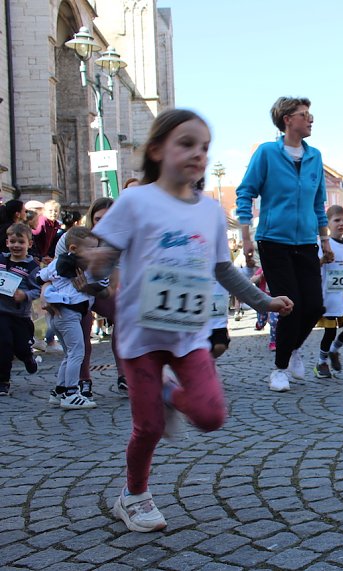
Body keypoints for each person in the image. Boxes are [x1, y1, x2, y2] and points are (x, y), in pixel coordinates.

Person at [87, 109, 293, 533]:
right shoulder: (135, 201)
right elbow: (101, 254)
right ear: (158, 149)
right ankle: (135, 496)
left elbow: (223, 268)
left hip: (189, 334)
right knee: (148, 428)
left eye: (204, 147)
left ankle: (168, 393)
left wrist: (263, 302)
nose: (198, 154)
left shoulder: (210, 213)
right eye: (187, 143)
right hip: (140, 334)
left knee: (211, 415)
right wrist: (95, 270)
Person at [236, 97, 331, 391]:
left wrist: (325, 240)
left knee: (314, 306)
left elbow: (318, 204)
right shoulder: (267, 153)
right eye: (305, 114)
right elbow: (245, 192)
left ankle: (291, 349)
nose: (311, 119)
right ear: (288, 120)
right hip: (273, 240)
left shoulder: (314, 156)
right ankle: (279, 370)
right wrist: (245, 235)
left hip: (305, 242)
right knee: (290, 305)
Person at [56, 197, 128, 397]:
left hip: (97, 290)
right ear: (91, 219)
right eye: (98, 219)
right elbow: (57, 274)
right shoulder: (71, 238)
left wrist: (91, 289)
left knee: (123, 314)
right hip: (71, 293)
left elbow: (111, 288)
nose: (103, 224)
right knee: (82, 330)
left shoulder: (119, 244)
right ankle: (82, 380)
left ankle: (124, 374)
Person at [40, 226, 107, 410]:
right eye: (90, 249)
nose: (94, 253)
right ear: (73, 250)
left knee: (69, 353)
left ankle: (59, 390)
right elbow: (103, 283)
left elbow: (41, 276)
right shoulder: (85, 268)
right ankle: (71, 393)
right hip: (69, 314)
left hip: (58, 315)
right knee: (78, 352)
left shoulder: (55, 264)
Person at [313, 205, 343, 380]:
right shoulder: (322, 244)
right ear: (328, 224)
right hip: (327, 296)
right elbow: (312, 267)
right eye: (336, 220)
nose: (341, 224)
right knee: (330, 332)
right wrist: (323, 259)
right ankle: (321, 362)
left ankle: (334, 351)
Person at [0, 223, 41, 396]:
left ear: (29, 244)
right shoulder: (1, 260)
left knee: (21, 348)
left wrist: (24, 295)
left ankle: (28, 357)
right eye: (13, 241)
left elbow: (38, 290)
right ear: (7, 242)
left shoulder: (32, 267)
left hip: (20, 315)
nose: (16, 245)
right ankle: (3, 381)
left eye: (21, 242)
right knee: (4, 344)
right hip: (2, 312)